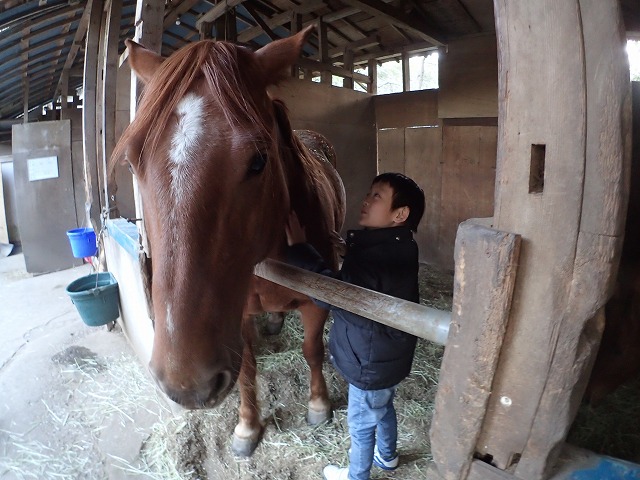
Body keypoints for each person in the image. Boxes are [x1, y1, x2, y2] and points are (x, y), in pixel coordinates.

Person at [285, 172, 426, 480]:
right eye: (369, 193)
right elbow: (375, 275)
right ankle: (387, 457)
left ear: (399, 214)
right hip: (386, 355)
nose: (366, 200)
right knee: (383, 407)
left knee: (361, 424)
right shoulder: (400, 245)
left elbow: (335, 294)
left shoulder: (378, 257)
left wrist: (300, 249)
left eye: (377, 196)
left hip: (368, 360)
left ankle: (357, 476)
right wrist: (349, 251)